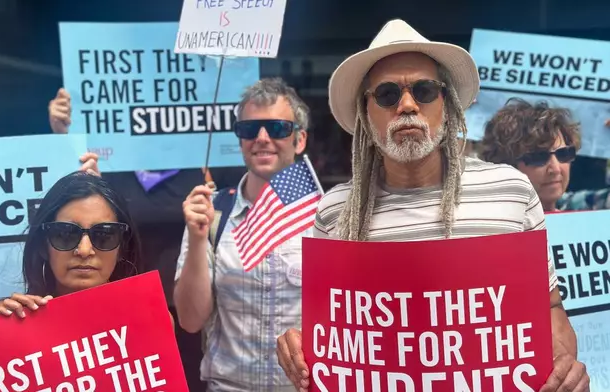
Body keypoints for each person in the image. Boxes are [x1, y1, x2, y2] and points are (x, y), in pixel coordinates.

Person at [275, 19, 589, 392]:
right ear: (366, 111)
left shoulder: (511, 191)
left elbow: (549, 306)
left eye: (424, 90)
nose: (407, 105)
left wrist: (564, 365)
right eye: (387, 95)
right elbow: (334, 335)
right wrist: (296, 347)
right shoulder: (335, 211)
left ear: (447, 104)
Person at [48, 87, 247, 391]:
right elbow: (75, 213)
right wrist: (65, 134)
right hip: (124, 309)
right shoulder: (110, 167)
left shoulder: (209, 165)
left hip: (190, 311)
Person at [174, 77, 310, 391]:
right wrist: (197, 238)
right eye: (249, 129)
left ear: (299, 140)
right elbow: (191, 321)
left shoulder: (326, 216)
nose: (262, 138)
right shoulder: (212, 212)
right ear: (239, 140)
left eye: (277, 128)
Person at [0, 171, 144, 318]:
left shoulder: (151, 317)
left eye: (104, 235)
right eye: (66, 234)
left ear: (122, 247)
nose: (84, 250)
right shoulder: (9, 319)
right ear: (43, 246)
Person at [479, 98, 610, 212]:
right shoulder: (485, 227)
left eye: (564, 154)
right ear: (506, 165)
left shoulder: (578, 212)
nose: (555, 169)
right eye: (538, 158)